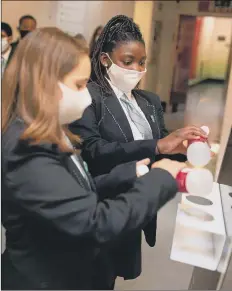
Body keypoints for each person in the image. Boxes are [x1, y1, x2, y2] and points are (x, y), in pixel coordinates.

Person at [1, 27, 186, 290]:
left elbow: (71, 192)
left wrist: (128, 173)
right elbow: (96, 223)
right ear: (45, 83)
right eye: (79, 85)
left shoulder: (52, 131)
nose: (87, 96)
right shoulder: (27, 149)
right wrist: (160, 179)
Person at [69, 15, 208, 289]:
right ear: (105, 59)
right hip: (102, 204)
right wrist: (156, 145)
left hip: (136, 204)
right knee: (93, 277)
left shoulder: (149, 101)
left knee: (110, 276)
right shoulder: (90, 98)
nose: (137, 68)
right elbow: (94, 151)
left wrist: (186, 147)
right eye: (128, 61)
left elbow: (162, 145)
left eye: (142, 62)